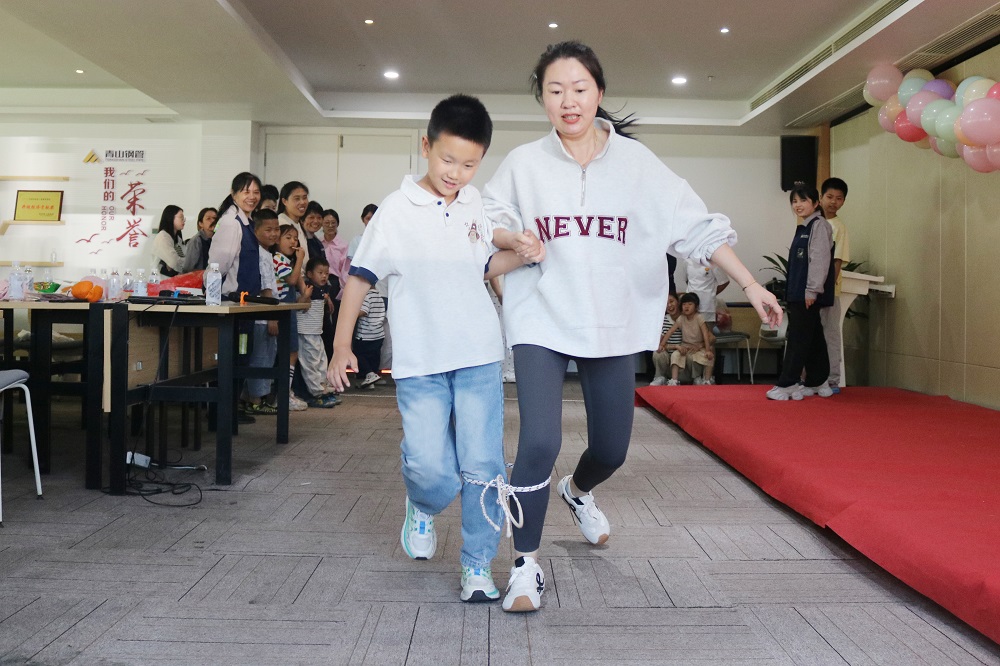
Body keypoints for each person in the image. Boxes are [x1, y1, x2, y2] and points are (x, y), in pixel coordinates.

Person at [482, 41, 781, 612]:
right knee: (539, 441)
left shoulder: (638, 165)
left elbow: (697, 228)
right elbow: (488, 219)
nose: (568, 101)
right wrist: (512, 238)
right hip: (541, 316)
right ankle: (524, 565)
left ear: (599, 92)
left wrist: (751, 284)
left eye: (579, 89)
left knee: (612, 449)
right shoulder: (524, 163)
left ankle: (578, 491)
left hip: (612, 322)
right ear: (542, 98)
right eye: (555, 90)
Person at [327, 94, 544, 604]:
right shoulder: (395, 210)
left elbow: (483, 267)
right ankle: (421, 505)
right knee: (431, 469)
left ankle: (477, 566)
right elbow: (360, 278)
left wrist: (522, 253)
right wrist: (340, 345)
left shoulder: (474, 204)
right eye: (448, 160)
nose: (456, 174)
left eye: (469, 165)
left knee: (484, 467)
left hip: (478, 356)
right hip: (421, 362)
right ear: (426, 146)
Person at [766, 184, 835, 401]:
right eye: (794, 201)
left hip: (807, 294)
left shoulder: (819, 225)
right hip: (798, 292)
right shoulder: (804, 226)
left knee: (798, 338)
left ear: (816, 203)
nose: (798, 205)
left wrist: (812, 290)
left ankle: (788, 383)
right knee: (813, 337)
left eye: (803, 200)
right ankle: (818, 380)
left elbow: (819, 260)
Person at [243, 209, 281, 415]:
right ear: (255, 231)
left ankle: (251, 398)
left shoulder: (262, 252)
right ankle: (256, 400)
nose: (274, 234)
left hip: (259, 316)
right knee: (261, 359)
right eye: (268, 229)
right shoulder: (260, 254)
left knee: (259, 357)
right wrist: (271, 317)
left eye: (276, 229)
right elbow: (266, 288)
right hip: (262, 318)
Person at [272, 224, 309, 412]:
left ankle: (284, 393)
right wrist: (300, 259)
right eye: (288, 237)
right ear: (277, 240)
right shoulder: (278, 259)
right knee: (290, 352)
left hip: (288, 310)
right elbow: (292, 280)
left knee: (290, 351)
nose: (293, 241)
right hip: (282, 312)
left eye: (295, 238)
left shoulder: (285, 261)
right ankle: (283, 395)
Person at [209, 172, 263, 299]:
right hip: (230, 298)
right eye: (246, 192)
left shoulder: (247, 221)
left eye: (256, 192)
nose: (252, 197)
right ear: (233, 194)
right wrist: (210, 288)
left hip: (245, 299)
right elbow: (219, 264)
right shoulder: (231, 222)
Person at [819, 177, 850, 392]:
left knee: (830, 334)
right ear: (821, 197)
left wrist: (826, 289)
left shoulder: (839, 228)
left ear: (843, 202)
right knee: (814, 335)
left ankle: (832, 378)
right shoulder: (814, 223)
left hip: (828, 291)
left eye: (838, 198)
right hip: (811, 291)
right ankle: (811, 377)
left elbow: (837, 261)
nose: (833, 202)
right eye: (829, 197)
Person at [298, 256, 340, 408]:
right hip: (306, 332)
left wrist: (327, 298)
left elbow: (323, 294)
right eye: (320, 273)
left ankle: (324, 386)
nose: (324, 276)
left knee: (322, 360)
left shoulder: (323, 289)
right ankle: (316, 393)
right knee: (311, 363)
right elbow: (300, 304)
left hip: (316, 332)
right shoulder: (306, 288)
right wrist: (305, 296)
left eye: (326, 273)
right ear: (309, 274)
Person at [660, 292, 715, 386]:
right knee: (675, 355)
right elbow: (670, 332)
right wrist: (662, 344)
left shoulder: (699, 318)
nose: (686, 306)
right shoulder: (681, 318)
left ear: (696, 307)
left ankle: (707, 380)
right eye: (684, 304)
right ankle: (674, 380)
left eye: (690, 304)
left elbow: (706, 334)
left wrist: (707, 350)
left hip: (698, 347)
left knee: (709, 357)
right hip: (685, 346)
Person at [322, 208, 349, 359]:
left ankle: (336, 357)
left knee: (337, 323)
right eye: (327, 222)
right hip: (320, 284)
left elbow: (345, 269)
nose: (330, 225)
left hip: (335, 284)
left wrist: (343, 291)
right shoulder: (318, 243)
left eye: (333, 222)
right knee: (323, 322)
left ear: (337, 224)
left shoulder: (343, 245)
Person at [352, 283, 386, 389]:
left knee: (359, 354)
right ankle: (374, 375)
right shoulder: (379, 296)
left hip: (366, 334)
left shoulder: (367, 296)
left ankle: (369, 374)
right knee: (374, 356)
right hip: (378, 333)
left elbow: (363, 312)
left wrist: (351, 313)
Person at [685, 256, 729, 335]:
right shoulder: (687, 261)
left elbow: (724, 281)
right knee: (690, 336)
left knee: (707, 337)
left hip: (707, 308)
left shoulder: (713, 263)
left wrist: (711, 294)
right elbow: (687, 280)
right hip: (690, 307)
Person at [650, 292, 682, 386]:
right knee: (658, 352)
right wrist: (672, 346)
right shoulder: (663, 320)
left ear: (678, 302)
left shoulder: (685, 318)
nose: (669, 305)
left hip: (682, 356)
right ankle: (660, 377)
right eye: (666, 303)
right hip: (669, 357)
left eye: (671, 301)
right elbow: (659, 342)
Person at [151, 205, 186, 277]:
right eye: (181, 217)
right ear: (171, 218)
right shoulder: (163, 237)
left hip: (177, 280)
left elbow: (185, 256)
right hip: (163, 280)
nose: (184, 220)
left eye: (183, 218)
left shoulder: (177, 238)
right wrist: (188, 263)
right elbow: (173, 261)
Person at [181, 207, 218, 273]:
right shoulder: (196, 241)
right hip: (198, 277)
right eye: (208, 218)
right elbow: (187, 268)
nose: (213, 221)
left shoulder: (218, 239)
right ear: (201, 223)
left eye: (214, 218)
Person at [278, 181, 310, 253]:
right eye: (297, 198)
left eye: (304, 198)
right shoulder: (280, 223)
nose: (302, 202)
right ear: (284, 201)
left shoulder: (298, 223)